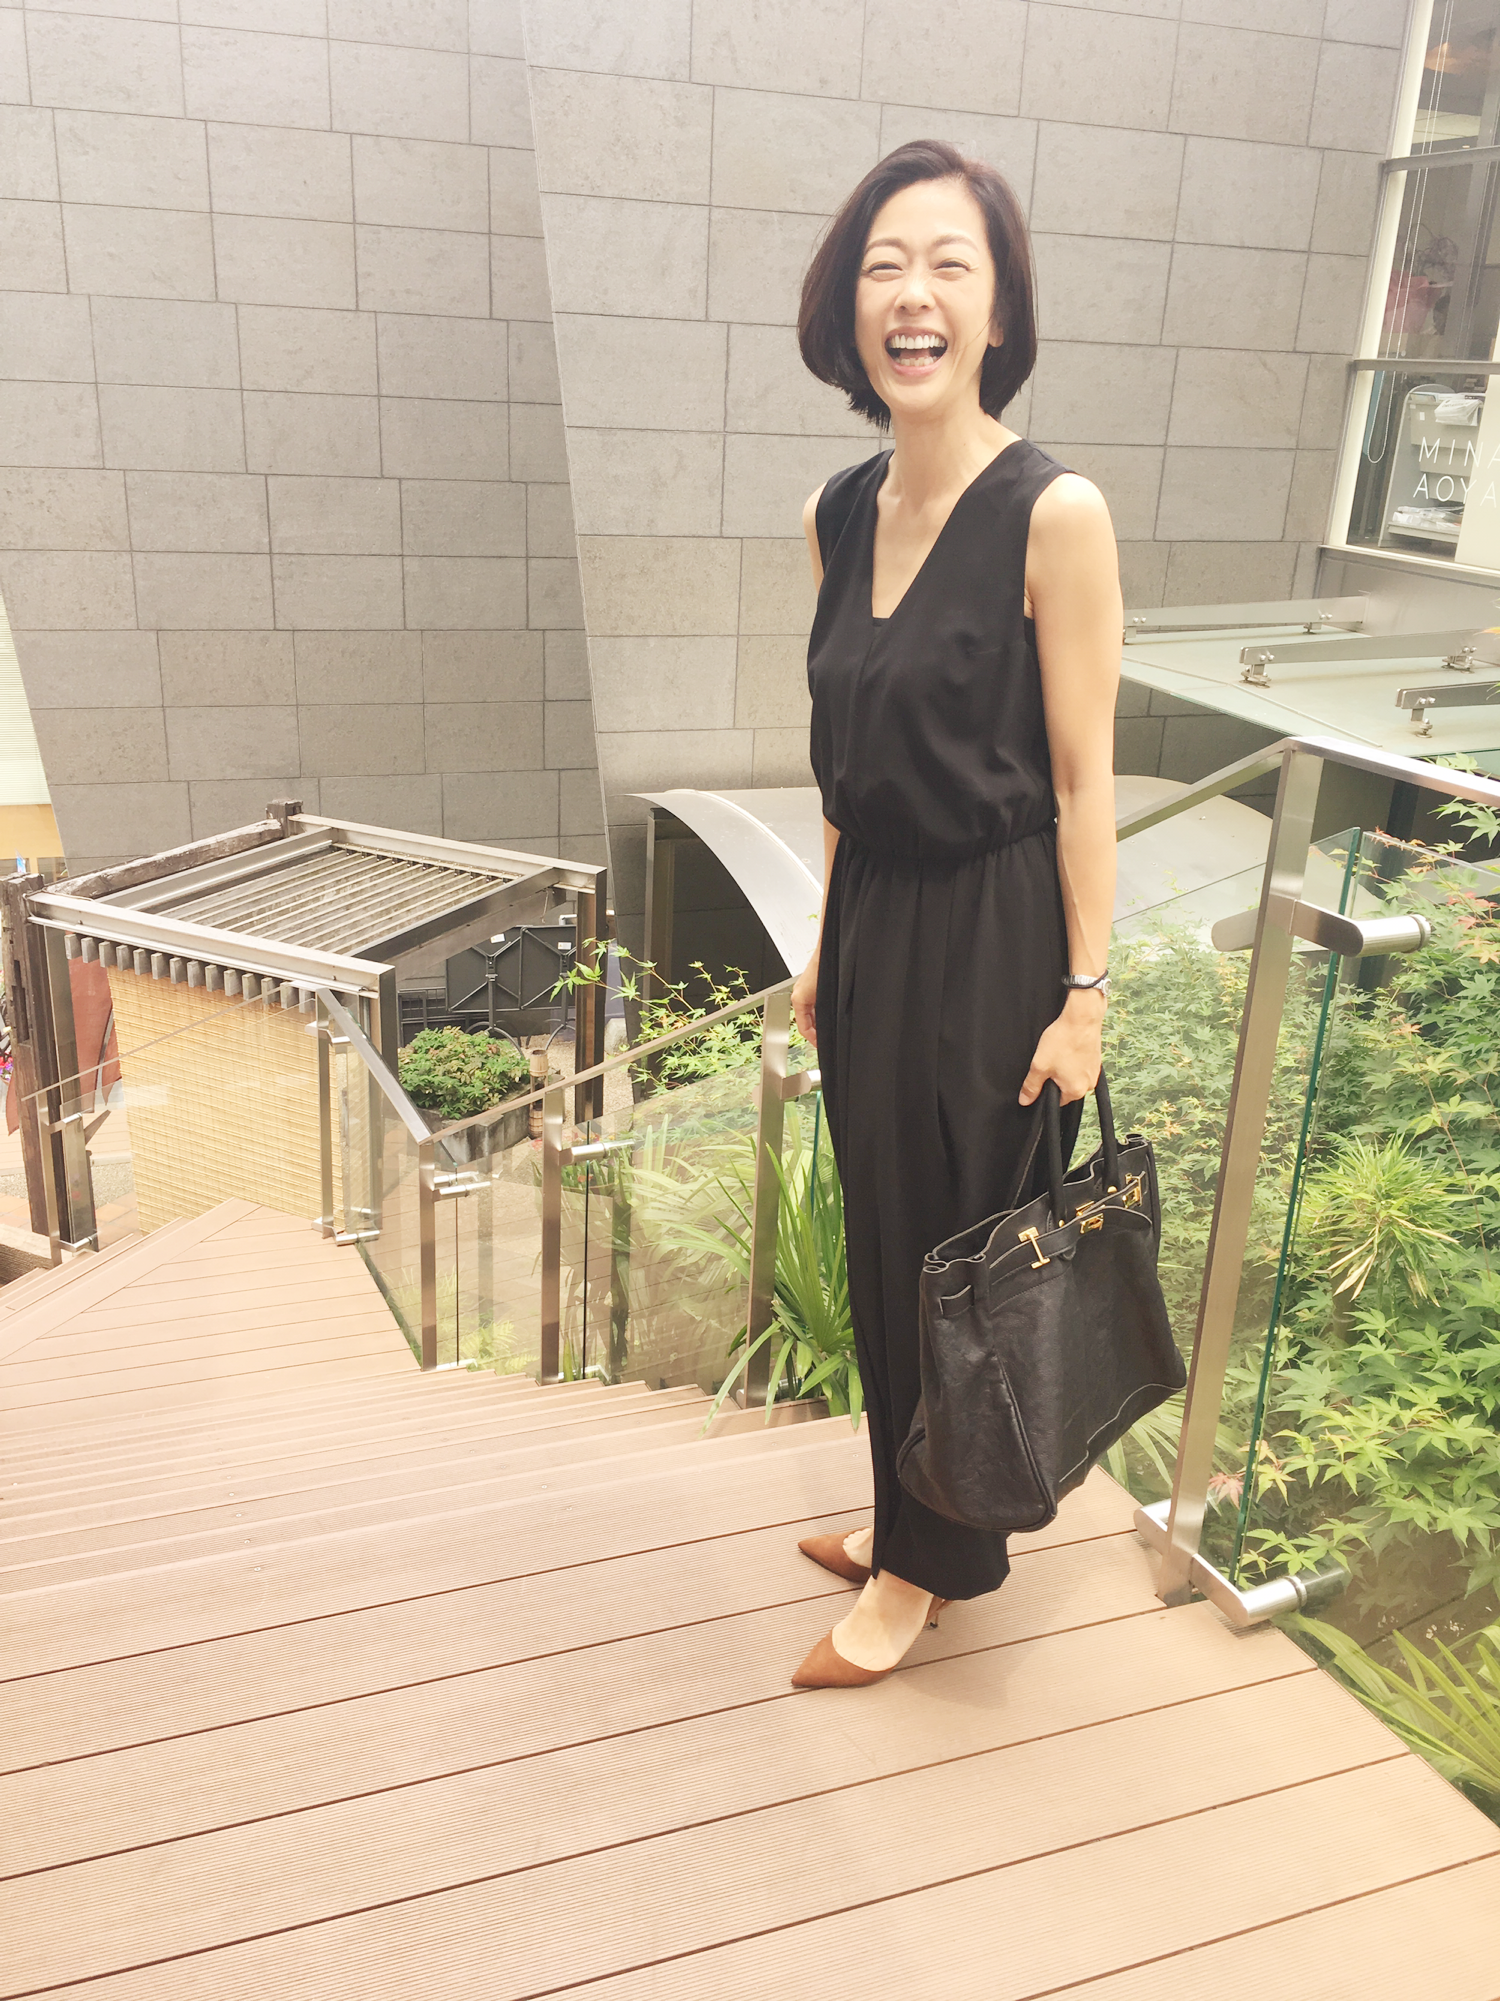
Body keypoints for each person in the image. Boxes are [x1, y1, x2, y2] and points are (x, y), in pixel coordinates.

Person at [788, 140, 1121, 1689]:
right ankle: (903, 1513)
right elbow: (844, 764)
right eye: (883, 266)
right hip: (872, 925)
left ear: (998, 310)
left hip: (992, 937)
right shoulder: (836, 511)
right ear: (846, 306)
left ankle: (924, 1572)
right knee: (883, 1242)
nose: (911, 295)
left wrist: (1086, 992)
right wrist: (823, 936)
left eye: (948, 265)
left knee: (956, 1257)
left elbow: (1084, 777)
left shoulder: (1056, 514)